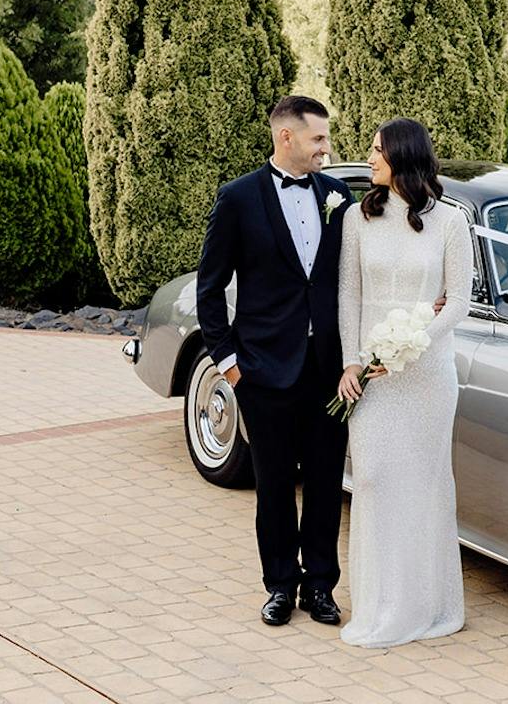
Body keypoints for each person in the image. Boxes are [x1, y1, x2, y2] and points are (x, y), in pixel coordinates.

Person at [194, 95, 353, 628]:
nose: (327, 148)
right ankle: (280, 585)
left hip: (328, 372)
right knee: (276, 485)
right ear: (286, 137)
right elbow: (210, 290)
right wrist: (230, 364)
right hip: (263, 372)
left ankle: (321, 588)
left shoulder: (338, 196)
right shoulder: (237, 198)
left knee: (328, 484)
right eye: (318, 140)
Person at [336, 118, 473, 648]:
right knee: (371, 481)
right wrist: (354, 361)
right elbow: (349, 294)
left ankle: (425, 606)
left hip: (427, 376)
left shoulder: (451, 222)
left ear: (404, 157)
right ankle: (378, 606)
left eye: (377, 151)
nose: (369, 158)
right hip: (371, 376)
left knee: (422, 487)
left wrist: (412, 342)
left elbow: (457, 301)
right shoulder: (356, 217)